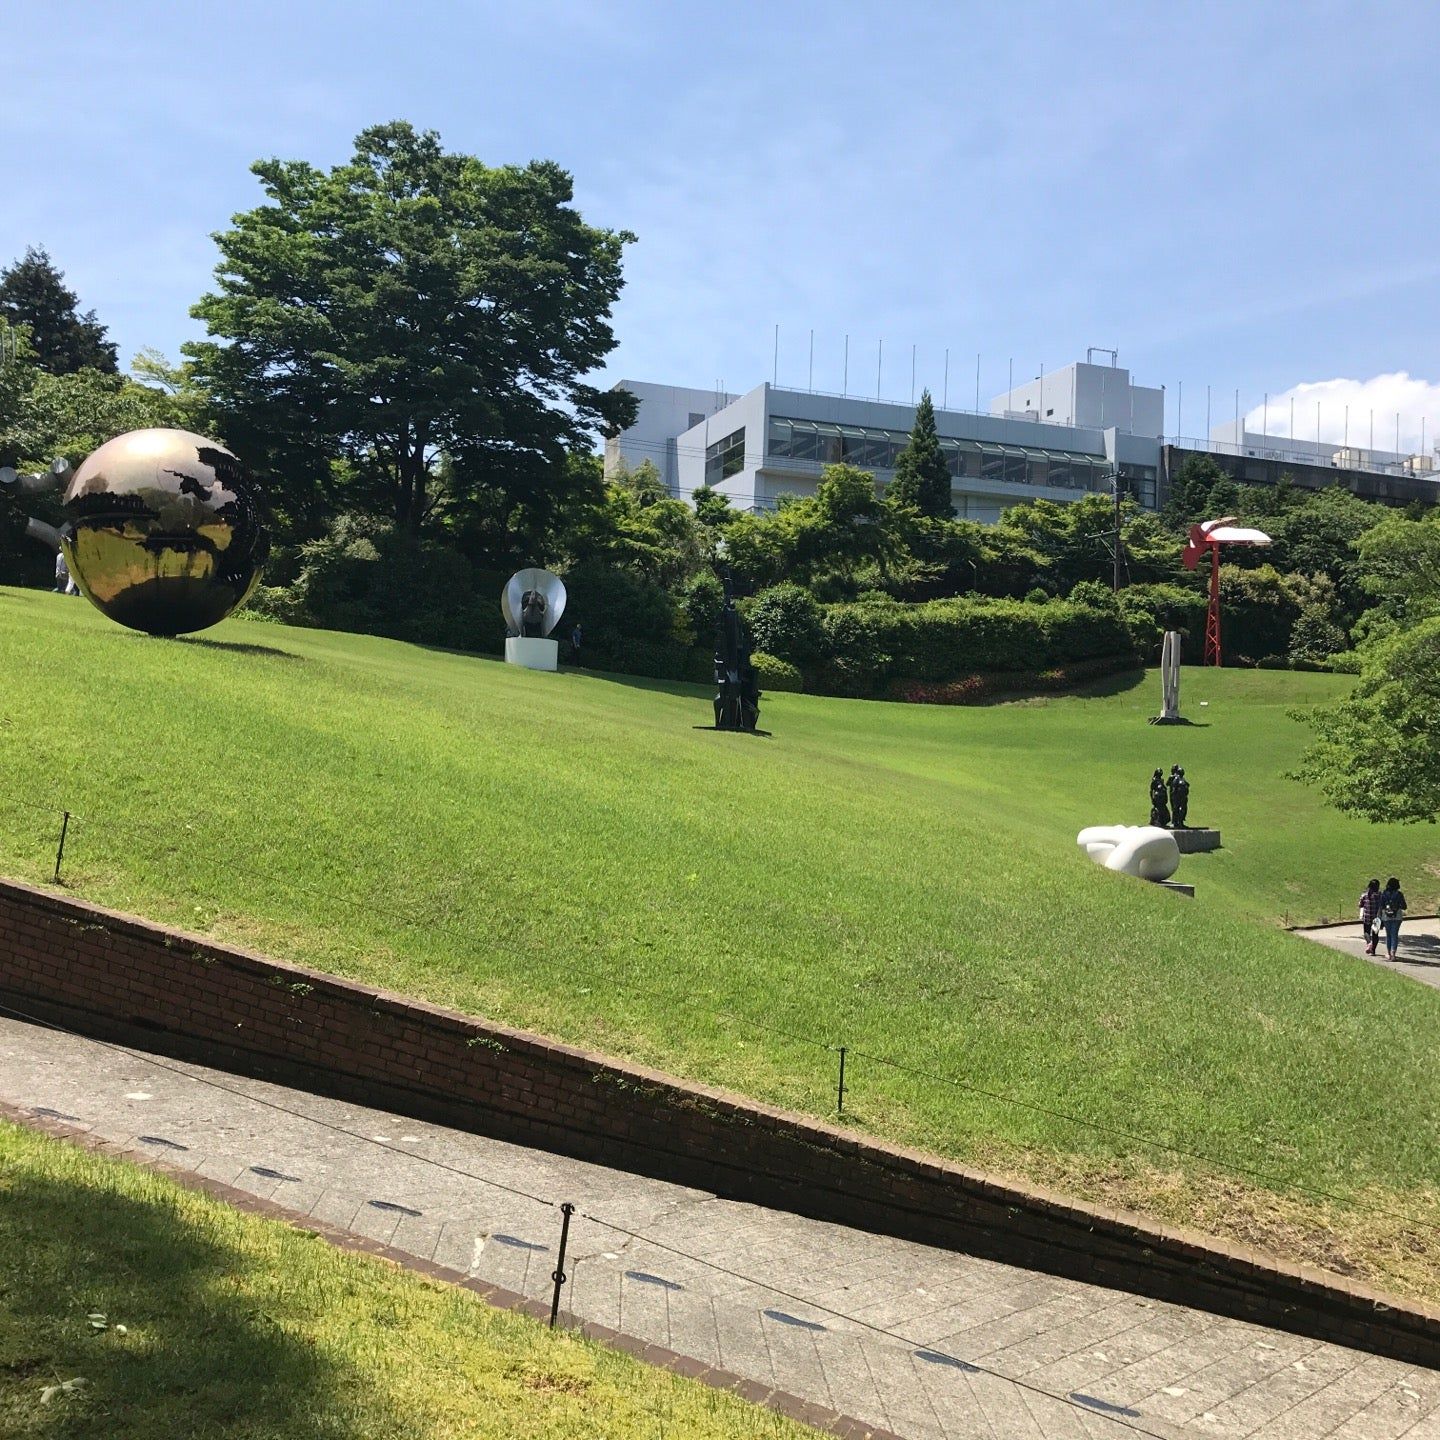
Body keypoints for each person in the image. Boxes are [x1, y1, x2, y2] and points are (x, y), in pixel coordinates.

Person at [1379, 877, 1408, 962]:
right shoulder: (1399, 894)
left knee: (1388, 935)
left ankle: (1388, 953)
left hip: (1386, 916)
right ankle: (1393, 954)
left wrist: (1379, 915)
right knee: (1394, 934)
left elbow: (1381, 906)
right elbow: (1404, 906)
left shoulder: (1384, 894)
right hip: (1397, 916)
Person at [1358, 878, 1382, 957]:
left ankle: (1369, 943)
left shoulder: (1364, 895)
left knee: (1366, 932)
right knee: (1375, 934)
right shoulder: (1380, 895)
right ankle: (1373, 950)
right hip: (1376, 918)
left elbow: (1360, 905)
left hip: (1367, 917)